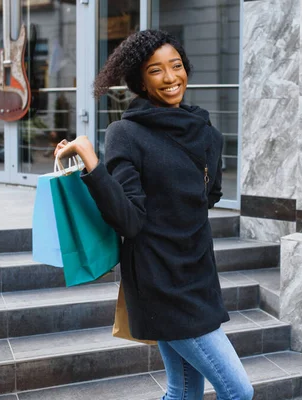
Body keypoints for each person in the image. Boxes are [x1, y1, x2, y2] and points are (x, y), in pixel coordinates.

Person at [54, 30, 253, 400]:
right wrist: (93, 163)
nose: (170, 78)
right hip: (158, 279)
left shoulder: (207, 133)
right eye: (156, 70)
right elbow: (129, 220)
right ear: (140, 82)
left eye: (176, 66)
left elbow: (208, 197)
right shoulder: (126, 133)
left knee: (184, 391)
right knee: (239, 391)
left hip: (198, 274)